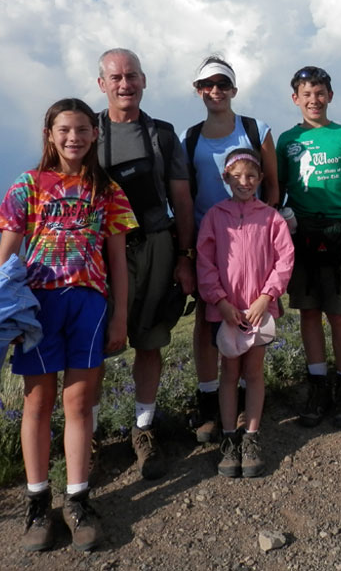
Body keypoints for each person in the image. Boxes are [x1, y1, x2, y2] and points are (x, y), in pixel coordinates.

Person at [0, 98, 137, 552]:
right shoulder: (27, 184)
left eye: (82, 129)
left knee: (79, 404)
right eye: (64, 129)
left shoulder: (108, 189)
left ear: (94, 134)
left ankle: (78, 499)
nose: (73, 137)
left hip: (89, 304)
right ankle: (39, 501)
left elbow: (118, 260)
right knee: (38, 402)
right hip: (36, 307)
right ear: (49, 134)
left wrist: (119, 314)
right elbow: (8, 249)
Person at [96, 48, 195, 479]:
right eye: (115, 77)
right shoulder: (87, 132)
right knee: (92, 345)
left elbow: (182, 198)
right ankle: (92, 435)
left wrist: (186, 256)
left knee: (150, 340)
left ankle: (143, 429)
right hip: (101, 250)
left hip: (156, 243)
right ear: (102, 84)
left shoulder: (164, 134)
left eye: (131, 76)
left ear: (144, 80)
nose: (124, 84)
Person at [181, 55, 280, 443]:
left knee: (251, 322)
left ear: (234, 89)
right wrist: (188, 253)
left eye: (223, 84)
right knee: (210, 325)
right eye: (208, 85)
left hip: (252, 240)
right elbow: (186, 195)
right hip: (210, 242)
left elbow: (272, 184)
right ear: (198, 90)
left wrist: (265, 233)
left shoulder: (255, 129)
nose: (215, 91)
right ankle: (212, 402)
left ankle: (241, 404)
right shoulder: (190, 138)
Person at [277, 66, 341, 429]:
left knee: (340, 314)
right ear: (295, 99)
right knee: (308, 312)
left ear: (330, 96)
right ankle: (317, 384)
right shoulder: (286, 140)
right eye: (306, 94)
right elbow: (277, 192)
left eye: (320, 94)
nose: (313, 100)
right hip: (301, 235)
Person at [197, 148, 293, 476]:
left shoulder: (271, 217)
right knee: (228, 374)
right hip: (225, 311)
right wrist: (220, 301)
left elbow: (284, 260)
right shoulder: (214, 217)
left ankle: (250, 436)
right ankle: (228, 437)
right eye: (237, 176)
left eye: (251, 176)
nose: (244, 181)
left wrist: (267, 297)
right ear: (226, 178)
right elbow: (205, 262)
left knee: (253, 373)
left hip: (258, 310)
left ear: (261, 180)